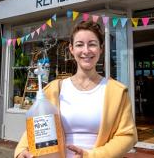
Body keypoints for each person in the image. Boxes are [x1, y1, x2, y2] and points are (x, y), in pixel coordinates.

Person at [15, 20, 137, 158]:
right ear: (71, 49)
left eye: (92, 44)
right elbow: (37, 124)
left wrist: (90, 156)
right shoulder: (54, 89)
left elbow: (127, 136)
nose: (86, 50)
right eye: (80, 44)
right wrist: (21, 150)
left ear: (101, 49)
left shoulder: (117, 92)